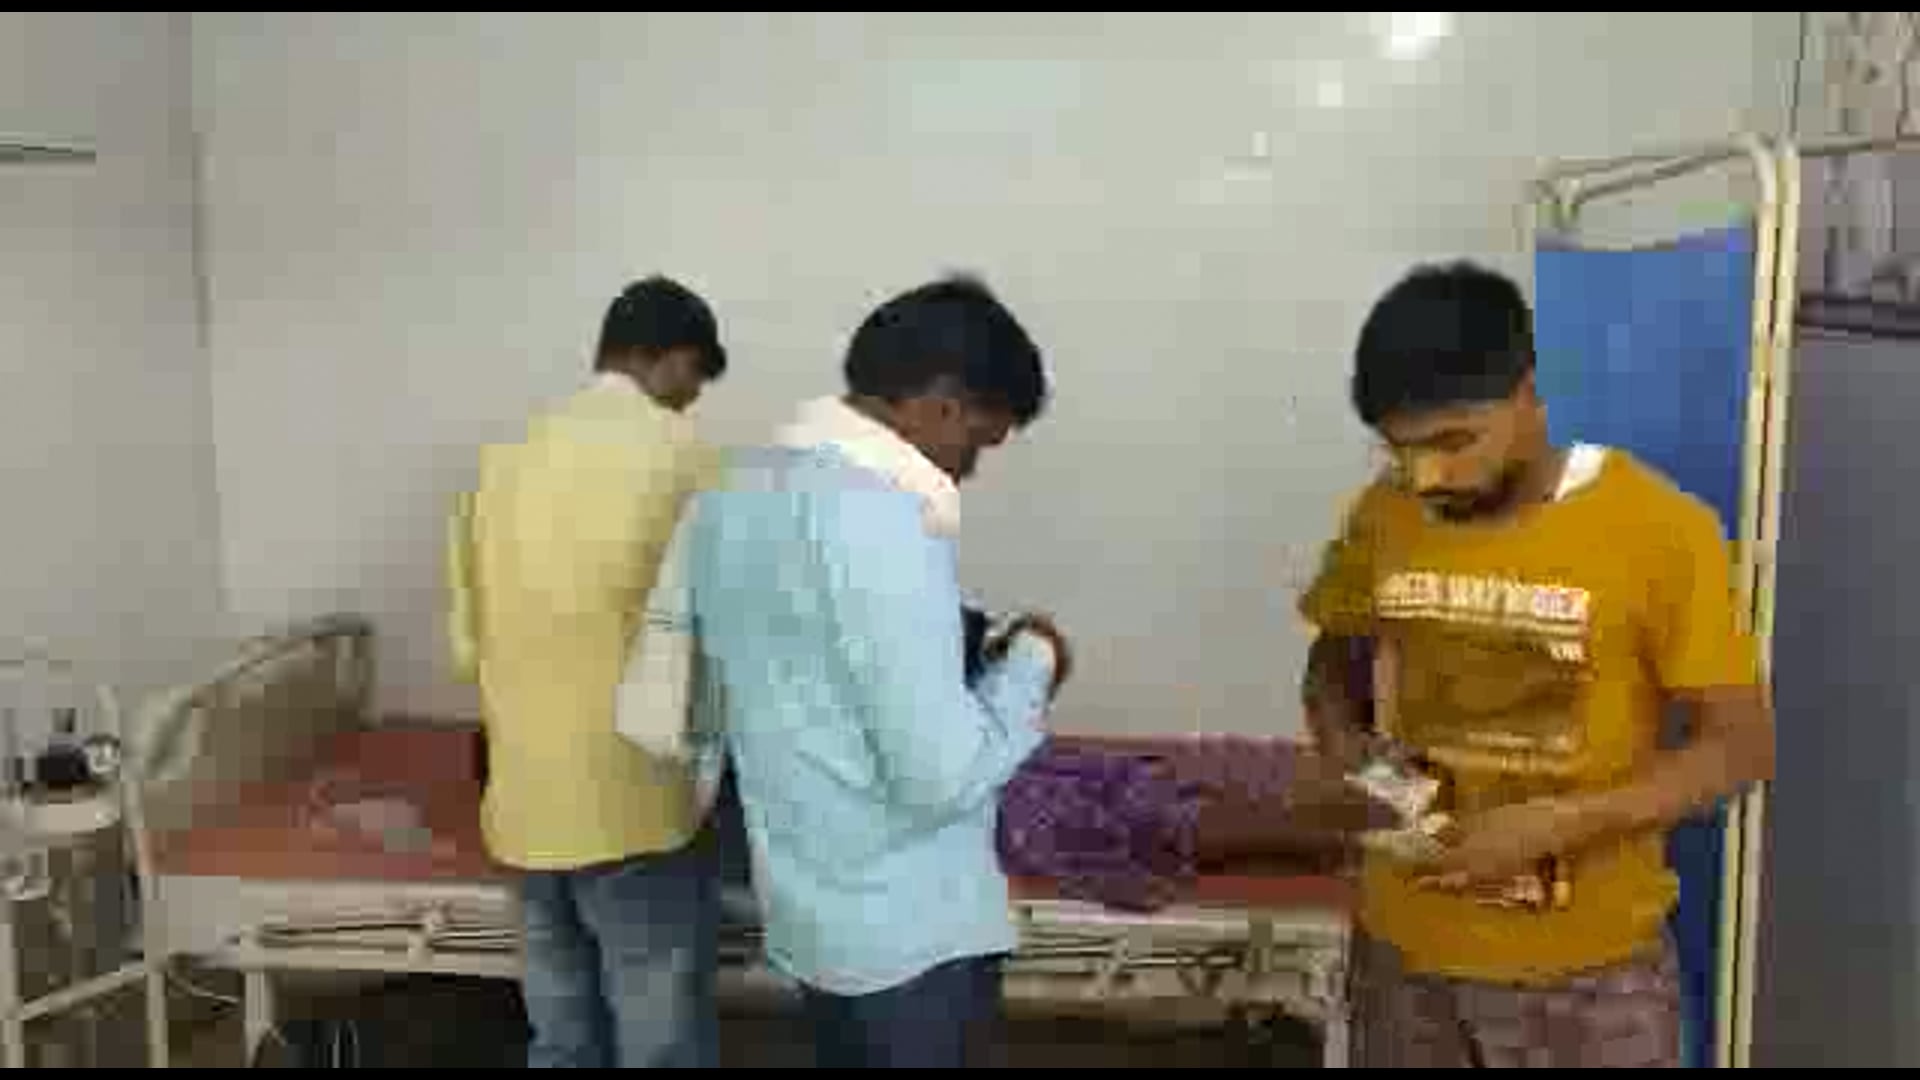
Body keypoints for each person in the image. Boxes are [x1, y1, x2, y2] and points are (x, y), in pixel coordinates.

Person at [1297, 262, 1775, 1068]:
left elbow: (1740, 748)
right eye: (1401, 450)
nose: (1427, 477)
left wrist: (1559, 822)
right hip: (1403, 962)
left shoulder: (1659, 529)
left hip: (1588, 981)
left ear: (1526, 395)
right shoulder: (1385, 512)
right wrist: (1349, 751)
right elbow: (1332, 659)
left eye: (1454, 442)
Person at [684, 277, 1066, 1068]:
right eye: (981, 442)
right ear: (944, 405)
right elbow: (940, 776)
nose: (970, 470)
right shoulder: (885, 519)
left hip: (811, 915)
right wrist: (1033, 662)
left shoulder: (733, 491)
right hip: (910, 934)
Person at [445, 276, 730, 1068]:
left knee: (562, 1030)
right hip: (634, 797)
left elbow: (467, 644)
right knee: (659, 1025)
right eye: (693, 381)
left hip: (524, 802)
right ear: (672, 357)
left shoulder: (499, 463)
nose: (690, 401)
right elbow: (728, 629)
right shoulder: (687, 458)